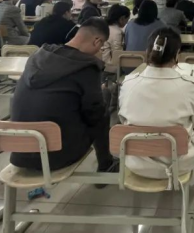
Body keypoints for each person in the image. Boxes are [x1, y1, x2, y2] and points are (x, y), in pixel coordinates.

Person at [10, 18, 118, 178]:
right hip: (56, 154)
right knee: (101, 108)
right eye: (101, 46)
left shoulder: (38, 55)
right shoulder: (86, 67)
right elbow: (94, 113)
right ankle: (105, 163)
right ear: (97, 41)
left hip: (19, 149)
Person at [119, 27, 194, 184]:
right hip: (178, 162)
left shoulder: (128, 82)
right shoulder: (188, 85)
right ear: (177, 55)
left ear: (148, 51)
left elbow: (123, 119)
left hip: (136, 161)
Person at [101, 4, 131, 71]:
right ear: (122, 18)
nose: (127, 22)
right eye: (127, 20)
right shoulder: (117, 33)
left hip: (102, 63)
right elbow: (118, 54)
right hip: (111, 67)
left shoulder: (105, 27)